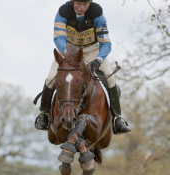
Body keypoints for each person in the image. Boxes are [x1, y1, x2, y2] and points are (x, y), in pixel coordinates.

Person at [34, 0, 131, 134]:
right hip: (69, 51)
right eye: (78, 4)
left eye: (85, 4)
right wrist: (67, 53)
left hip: (93, 51)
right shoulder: (63, 12)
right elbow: (59, 38)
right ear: (73, 2)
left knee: (111, 79)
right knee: (50, 77)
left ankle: (117, 119)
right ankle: (43, 114)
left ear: (89, 3)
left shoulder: (97, 14)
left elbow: (106, 43)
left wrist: (99, 59)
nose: (81, 8)